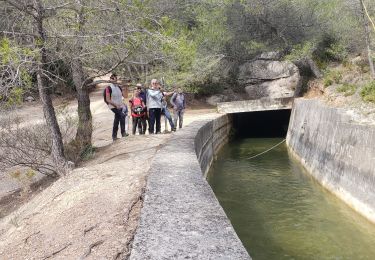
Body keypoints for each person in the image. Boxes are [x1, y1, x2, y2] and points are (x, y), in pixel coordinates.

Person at [105, 73, 127, 141]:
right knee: (122, 115)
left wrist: (125, 88)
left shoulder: (119, 87)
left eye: (115, 78)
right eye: (113, 78)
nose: (114, 79)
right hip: (113, 106)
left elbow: (125, 96)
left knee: (117, 120)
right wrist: (115, 105)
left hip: (120, 106)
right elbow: (108, 99)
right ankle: (123, 133)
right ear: (110, 79)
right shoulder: (108, 88)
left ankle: (114, 136)